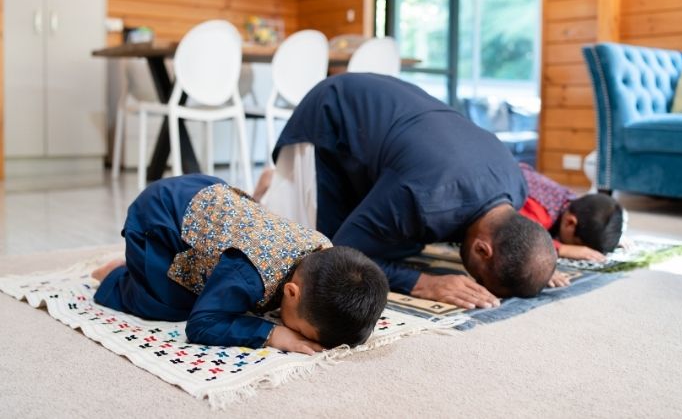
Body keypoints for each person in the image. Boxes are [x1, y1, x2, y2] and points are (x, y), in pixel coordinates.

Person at [257, 73, 557, 309]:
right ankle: (278, 185)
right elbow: (344, 250)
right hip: (332, 114)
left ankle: (286, 186)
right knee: (319, 255)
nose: (473, 281)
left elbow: (522, 242)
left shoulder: (516, 183)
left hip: (390, 137)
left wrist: (533, 266)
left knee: (398, 240)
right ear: (482, 249)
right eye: (479, 277)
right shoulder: (425, 198)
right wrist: (424, 282)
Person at [92, 174, 389, 355]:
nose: (298, 335)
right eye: (304, 332)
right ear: (291, 292)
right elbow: (201, 325)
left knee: (222, 294)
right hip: (158, 219)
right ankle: (120, 275)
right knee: (175, 305)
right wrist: (272, 334)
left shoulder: (322, 248)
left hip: (204, 190)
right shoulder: (249, 275)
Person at [518, 163, 624, 287]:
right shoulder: (540, 214)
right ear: (570, 223)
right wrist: (562, 248)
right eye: (577, 244)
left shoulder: (571, 200)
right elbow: (515, 232)